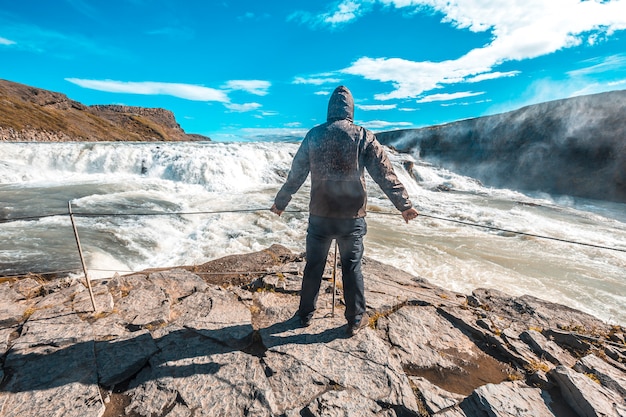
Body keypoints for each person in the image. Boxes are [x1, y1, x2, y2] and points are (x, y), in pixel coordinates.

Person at [270, 85, 419, 336]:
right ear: (351, 109)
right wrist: (404, 205)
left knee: (313, 266)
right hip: (352, 218)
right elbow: (384, 173)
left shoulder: (314, 135)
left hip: (320, 215)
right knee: (351, 268)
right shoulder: (363, 135)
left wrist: (280, 203)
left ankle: (305, 315)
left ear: (330, 109)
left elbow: (296, 174)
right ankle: (354, 319)